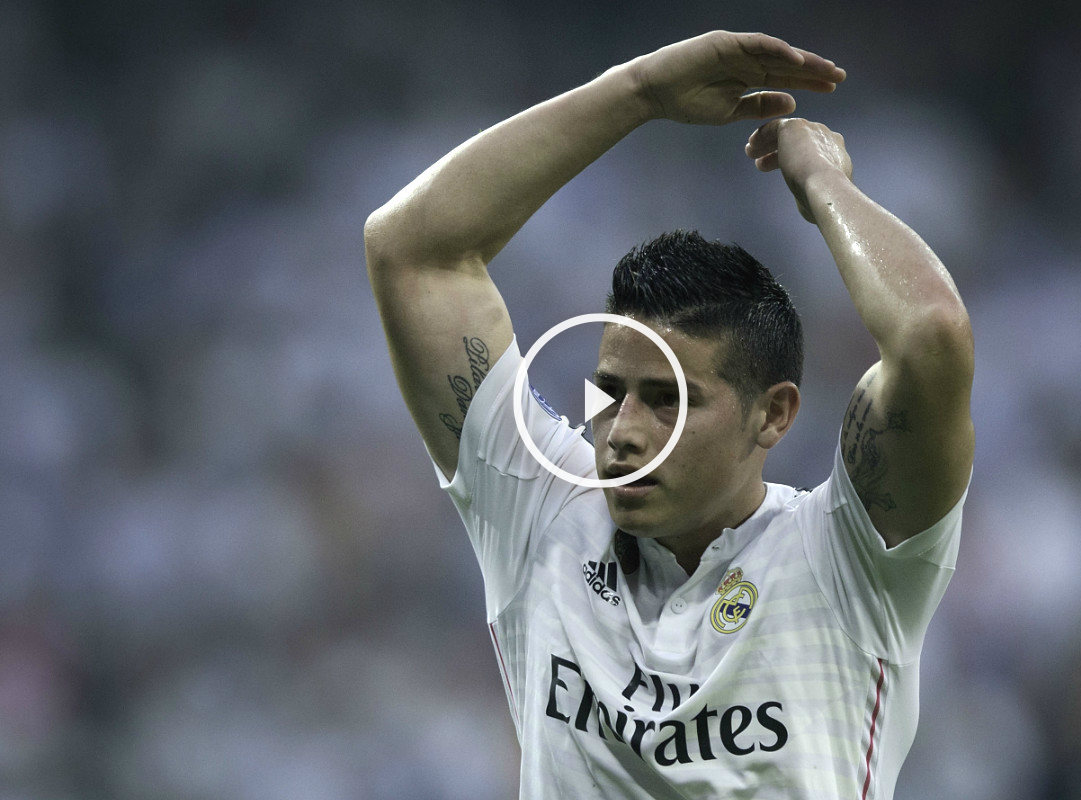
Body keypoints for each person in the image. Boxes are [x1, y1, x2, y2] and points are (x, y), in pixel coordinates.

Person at [364, 30, 974, 800]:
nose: (621, 432)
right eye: (611, 391)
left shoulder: (851, 562)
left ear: (773, 415)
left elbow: (931, 335)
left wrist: (824, 184)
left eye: (668, 402)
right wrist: (638, 91)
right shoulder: (543, 517)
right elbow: (410, 249)